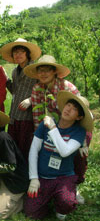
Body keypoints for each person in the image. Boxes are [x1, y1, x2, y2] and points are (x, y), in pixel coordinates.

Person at [24, 54, 92, 204]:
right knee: (51, 151)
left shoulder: (67, 87)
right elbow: (38, 115)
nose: (43, 73)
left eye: (47, 70)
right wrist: (40, 136)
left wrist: (82, 143)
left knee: (78, 156)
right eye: (40, 70)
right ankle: (51, 183)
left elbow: (80, 112)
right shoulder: (37, 89)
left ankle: (74, 185)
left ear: (54, 71)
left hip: (75, 127)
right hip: (54, 126)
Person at [24, 91, 93, 220]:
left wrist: (53, 128)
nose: (69, 109)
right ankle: (48, 198)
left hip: (63, 177)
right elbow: (34, 150)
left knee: (66, 202)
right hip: (43, 177)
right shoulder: (45, 125)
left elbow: (64, 151)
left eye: (75, 110)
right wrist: (34, 178)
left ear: (78, 117)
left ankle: (61, 203)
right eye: (69, 105)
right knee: (31, 212)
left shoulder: (78, 131)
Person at [0, 38, 41, 160]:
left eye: (21, 52)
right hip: (14, 115)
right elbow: (16, 91)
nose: (18, 55)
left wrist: (31, 100)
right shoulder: (14, 71)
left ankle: (26, 173)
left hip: (27, 117)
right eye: (15, 52)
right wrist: (6, 81)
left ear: (27, 53)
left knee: (25, 147)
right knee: (13, 146)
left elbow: (42, 89)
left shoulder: (35, 69)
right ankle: (15, 171)